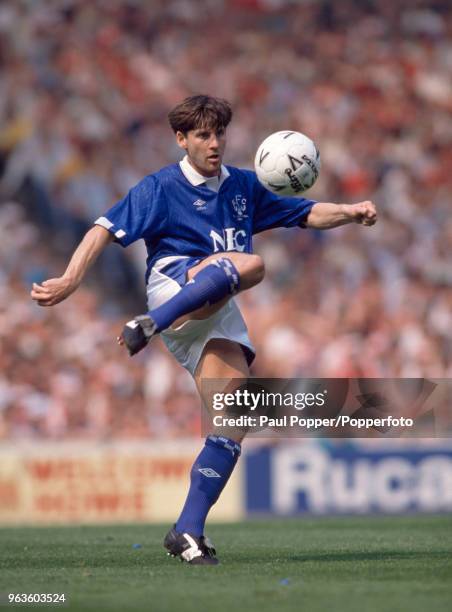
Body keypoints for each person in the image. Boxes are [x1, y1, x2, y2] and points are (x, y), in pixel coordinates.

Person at [31, 95, 377, 565]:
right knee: (252, 263)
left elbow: (307, 213)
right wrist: (70, 280)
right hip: (174, 288)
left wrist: (352, 212)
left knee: (235, 420)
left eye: (218, 134)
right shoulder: (159, 188)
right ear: (181, 139)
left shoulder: (243, 186)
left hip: (214, 310)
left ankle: (187, 532)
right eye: (202, 135)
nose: (214, 144)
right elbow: (102, 229)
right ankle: (152, 321)